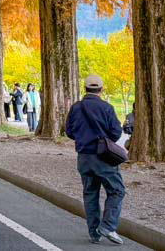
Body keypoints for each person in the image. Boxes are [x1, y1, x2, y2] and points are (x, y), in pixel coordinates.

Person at [65, 74, 125, 245]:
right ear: (101, 89)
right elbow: (116, 132)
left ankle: (94, 234)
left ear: (85, 88)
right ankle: (108, 226)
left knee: (90, 194)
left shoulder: (76, 108)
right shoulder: (107, 108)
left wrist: (82, 138)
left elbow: (69, 131)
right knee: (117, 190)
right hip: (103, 157)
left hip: (83, 157)